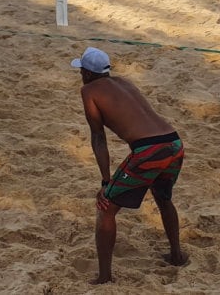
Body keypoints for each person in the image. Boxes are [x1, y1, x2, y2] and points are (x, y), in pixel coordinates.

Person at [71, 46, 187, 284]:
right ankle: (176, 256)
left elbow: (98, 137)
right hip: (174, 143)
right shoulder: (125, 82)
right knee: (163, 198)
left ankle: (104, 277)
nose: (80, 74)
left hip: (149, 149)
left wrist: (105, 182)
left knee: (106, 207)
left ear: (88, 73)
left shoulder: (89, 90)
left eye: (81, 71)